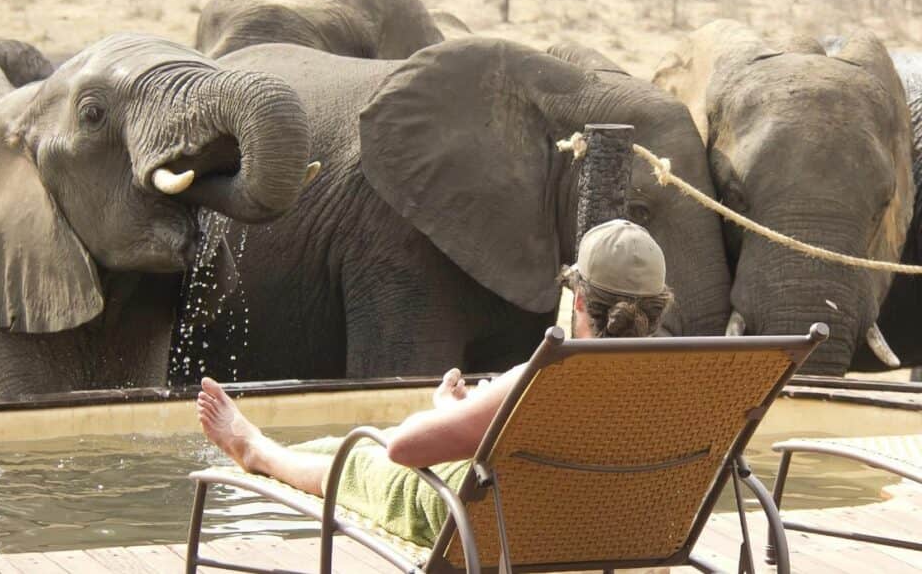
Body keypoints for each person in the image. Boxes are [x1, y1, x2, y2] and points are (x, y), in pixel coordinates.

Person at [198, 219, 673, 546]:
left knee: (367, 461)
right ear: (655, 310)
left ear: (580, 303)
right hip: (616, 530)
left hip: (510, 533)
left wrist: (445, 411)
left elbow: (403, 450)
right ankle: (273, 449)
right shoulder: (689, 384)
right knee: (351, 446)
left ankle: (256, 449)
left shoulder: (544, 378)